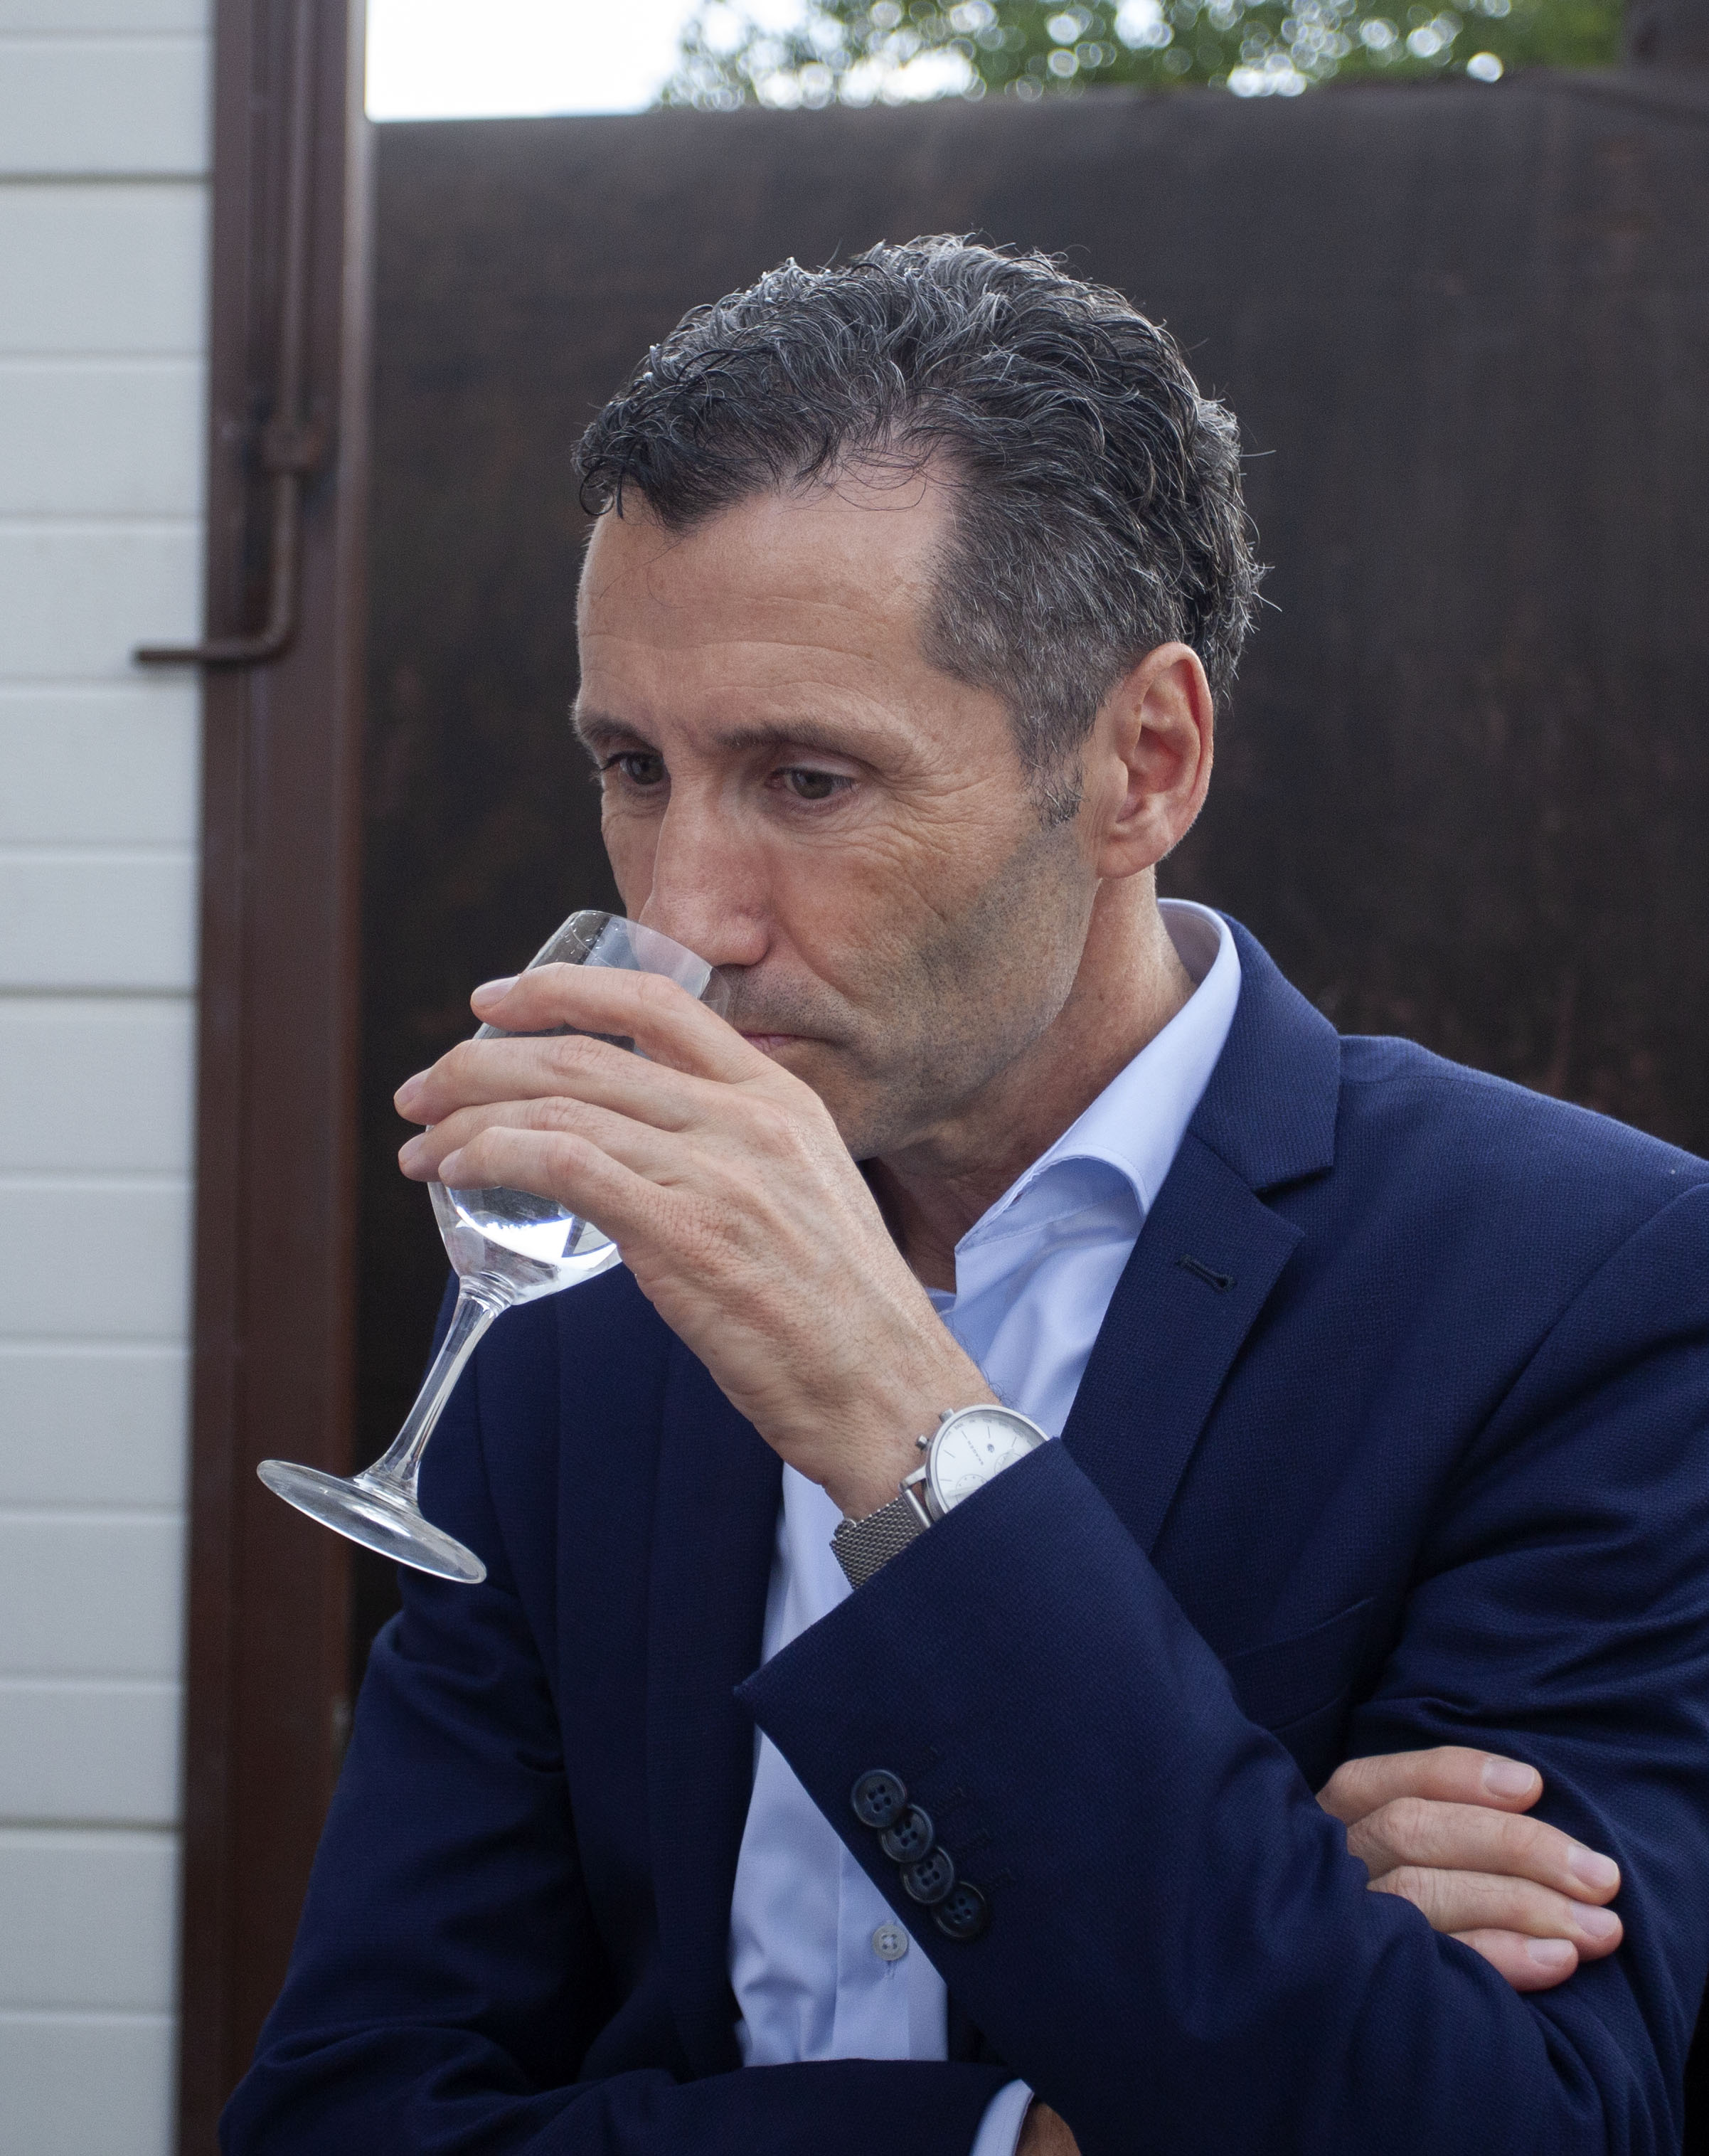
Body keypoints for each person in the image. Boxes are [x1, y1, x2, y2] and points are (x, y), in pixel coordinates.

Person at [224, 240, 1709, 2155]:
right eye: (632, 765)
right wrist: (1032, 2131)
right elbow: (343, 2117)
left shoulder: (1583, 1288)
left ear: (1141, 764)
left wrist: (897, 1428)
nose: (683, 911)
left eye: (807, 780)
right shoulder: (587, 1280)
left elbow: (1512, 2129)